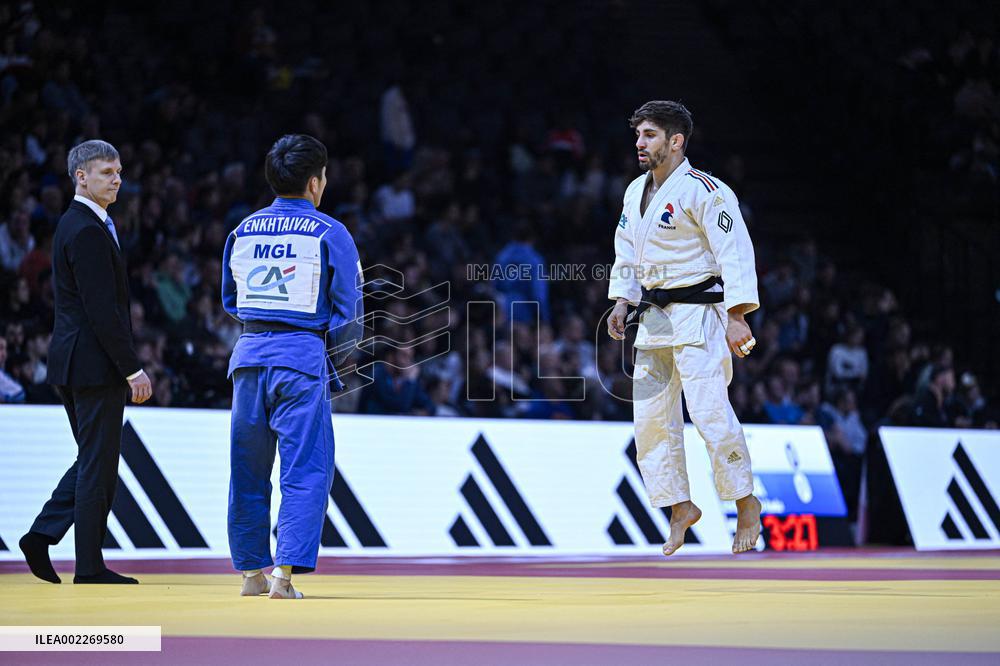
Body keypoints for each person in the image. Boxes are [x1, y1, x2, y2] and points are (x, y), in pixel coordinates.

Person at [606, 101, 762, 555]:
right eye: (638, 134)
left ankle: (745, 500)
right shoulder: (635, 191)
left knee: (709, 413)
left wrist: (737, 316)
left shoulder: (707, 191)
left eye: (649, 135)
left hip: (699, 314)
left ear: (676, 141)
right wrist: (622, 299)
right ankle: (679, 506)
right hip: (653, 317)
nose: (639, 142)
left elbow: (734, 252)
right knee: (650, 421)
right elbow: (626, 251)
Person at [221, 134, 363, 599]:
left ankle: (250, 574)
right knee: (305, 469)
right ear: (315, 183)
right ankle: (283, 576)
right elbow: (349, 315)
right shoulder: (329, 233)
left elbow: (231, 299)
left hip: (247, 359)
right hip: (301, 360)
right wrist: (338, 364)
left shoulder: (242, 231)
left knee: (247, 467)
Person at [20, 140, 153, 585]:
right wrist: (132, 368)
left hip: (75, 361)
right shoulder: (88, 229)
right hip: (93, 365)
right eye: (106, 172)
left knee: (93, 459)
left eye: (119, 171)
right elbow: (103, 312)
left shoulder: (75, 224)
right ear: (81, 176)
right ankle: (89, 566)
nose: (117, 179)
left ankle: (42, 535)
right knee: (99, 465)